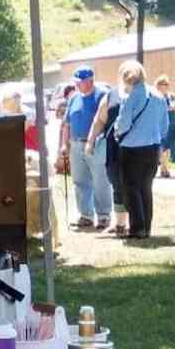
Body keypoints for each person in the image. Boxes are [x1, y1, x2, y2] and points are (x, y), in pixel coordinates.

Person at [88, 61, 168, 240]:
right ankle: (146, 228)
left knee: (131, 188)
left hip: (132, 150)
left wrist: (117, 132)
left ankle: (137, 228)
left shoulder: (132, 96)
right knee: (146, 188)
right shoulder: (157, 95)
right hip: (152, 148)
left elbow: (123, 123)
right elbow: (164, 126)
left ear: (126, 79)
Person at [61, 65, 115, 230]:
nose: (77, 85)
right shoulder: (74, 98)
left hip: (96, 143)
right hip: (76, 144)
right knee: (79, 180)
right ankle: (86, 215)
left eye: (80, 82)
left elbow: (104, 121)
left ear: (90, 81)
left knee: (100, 180)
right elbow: (66, 124)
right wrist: (64, 144)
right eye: (76, 82)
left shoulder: (102, 96)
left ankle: (104, 215)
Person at [156, 75, 175, 177]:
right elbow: (155, 110)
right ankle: (164, 169)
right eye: (164, 84)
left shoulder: (171, 96)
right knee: (163, 146)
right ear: (158, 85)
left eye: (167, 84)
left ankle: (164, 168)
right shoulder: (156, 96)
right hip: (161, 124)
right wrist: (168, 108)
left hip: (171, 124)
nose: (166, 86)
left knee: (167, 148)